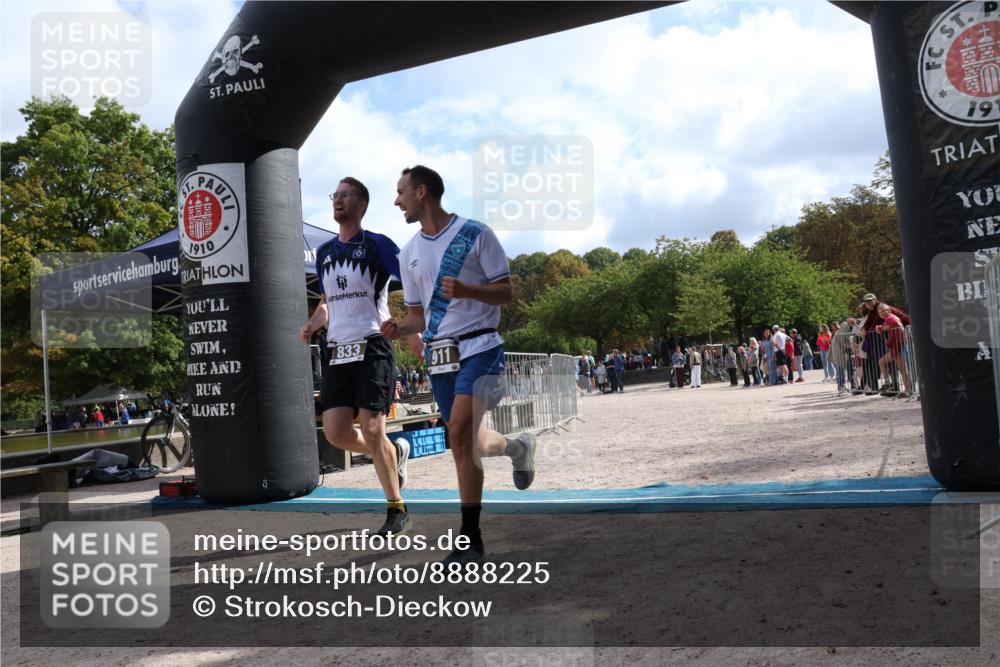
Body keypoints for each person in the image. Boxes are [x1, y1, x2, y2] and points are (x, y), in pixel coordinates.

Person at [381, 165, 537, 565]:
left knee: (460, 432)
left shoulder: (476, 233)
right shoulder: (409, 253)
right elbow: (418, 316)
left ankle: (471, 540)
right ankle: (518, 447)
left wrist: (468, 290)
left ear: (422, 192)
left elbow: (507, 292)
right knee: (465, 440)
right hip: (441, 355)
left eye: (400, 192)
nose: (396, 200)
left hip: (481, 346)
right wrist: (398, 328)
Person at [300, 176, 415, 537]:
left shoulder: (378, 245)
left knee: (371, 426)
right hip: (337, 349)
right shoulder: (325, 253)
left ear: (362, 204)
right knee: (335, 433)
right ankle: (391, 453)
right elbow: (326, 302)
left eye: (346, 195)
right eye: (335, 194)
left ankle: (396, 508)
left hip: (372, 344)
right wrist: (312, 324)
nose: (338, 200)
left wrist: (411, 324)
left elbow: (409, 280)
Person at [876, 303, 912, 397]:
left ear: (888, 310)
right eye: (880, 312)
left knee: (903, 369)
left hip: (899, 346)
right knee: (882, 362)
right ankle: (889, 384)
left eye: (884, 311)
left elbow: (890, 327)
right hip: (896, 346)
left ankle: (907, 389)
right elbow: (884, 327)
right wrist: (880, 328)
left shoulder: (890, 318)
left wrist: (881, 328)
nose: (882, 313)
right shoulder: (889, 318)